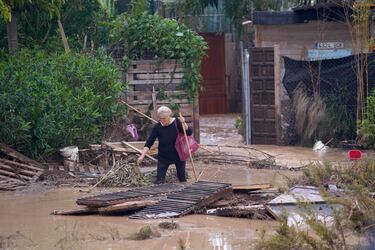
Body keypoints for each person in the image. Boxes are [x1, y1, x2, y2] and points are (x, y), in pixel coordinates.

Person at [137, 106, 192, 184]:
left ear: (170, 115)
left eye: (164, 119)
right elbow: (149, 142)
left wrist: (184, 123)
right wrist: (142, 155)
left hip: (179, 154)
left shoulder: (177, 122)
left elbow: (189, 133)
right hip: (164, 156)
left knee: (182, 178)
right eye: (160, 119)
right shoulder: (157, 127)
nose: (162, 121)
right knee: (159, 180)